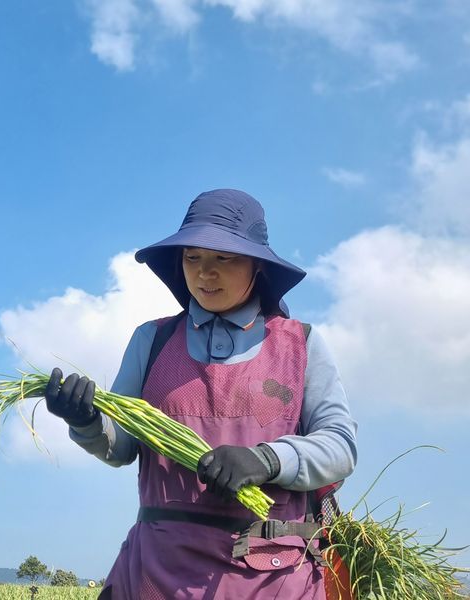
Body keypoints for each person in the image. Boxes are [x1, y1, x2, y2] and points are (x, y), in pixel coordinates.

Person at [45, 188, 357, 599]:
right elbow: (121, 446)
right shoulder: (152, 341)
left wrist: (266, 459)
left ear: (258, 266)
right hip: (158, 572)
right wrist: (86, 420)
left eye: (224, 258)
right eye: (192, 257)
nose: (205, 273)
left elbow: (340, 446)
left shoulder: (301, 344)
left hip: (272, 576)